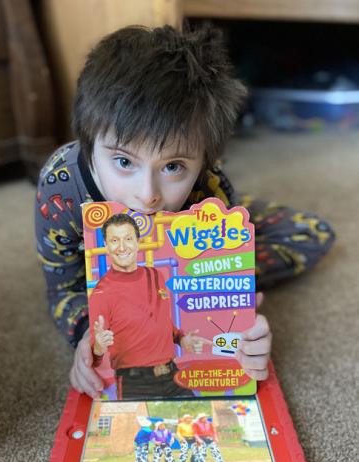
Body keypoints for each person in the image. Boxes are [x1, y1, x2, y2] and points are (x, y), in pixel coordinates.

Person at [34, 25, 335, 399]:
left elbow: (211, 329)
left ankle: (244, 217)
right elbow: (61, 287)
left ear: (205, 161)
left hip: (204, 216)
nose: (147, 196)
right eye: (124, 161)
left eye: (173, 166)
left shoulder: (208, 187)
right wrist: (84, 335)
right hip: (110, 269)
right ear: (88, 140)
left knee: (314, 234)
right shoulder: (59, 188)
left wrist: (237, 309)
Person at [90, 213, 211, 399]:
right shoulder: (100, 293)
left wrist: (182, 339)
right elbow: (94, 356)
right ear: (106, 246)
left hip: (172, 374)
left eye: (128, 239)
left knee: (198, 423)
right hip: (135, 384)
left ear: (137, 242)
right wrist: (98, 346)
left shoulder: (156, 276)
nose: (122, 247)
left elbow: (162, 322)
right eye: (114, 240)